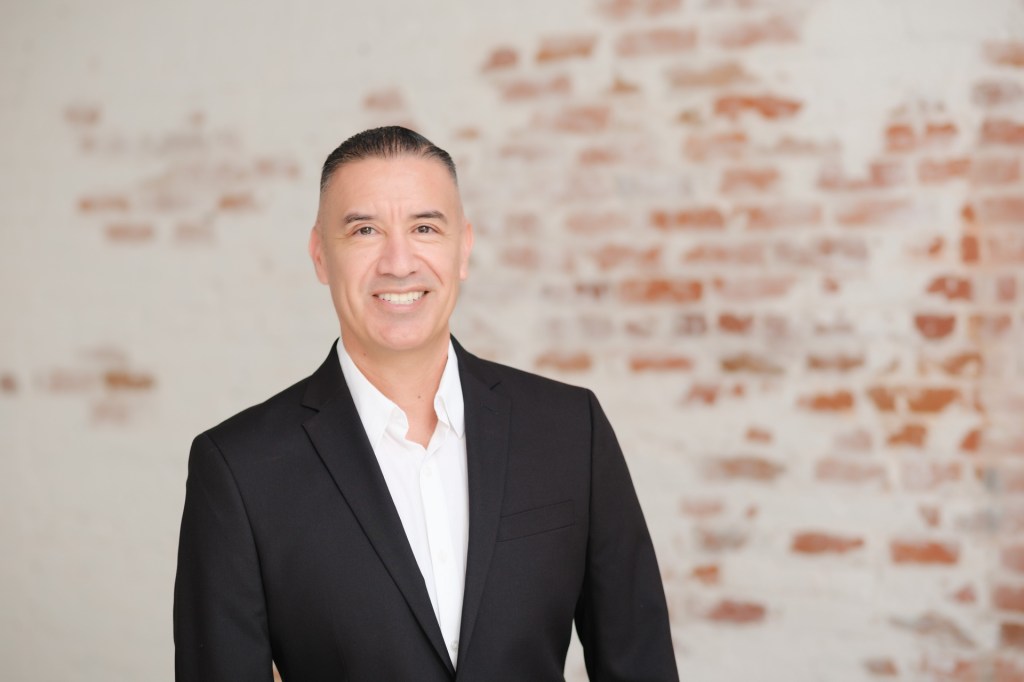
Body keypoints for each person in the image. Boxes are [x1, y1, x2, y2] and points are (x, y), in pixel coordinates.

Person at [173, 126, 678, 681]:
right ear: (321, 256)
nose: (398, 261)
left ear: (463, 248)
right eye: (365, 229)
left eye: (424, 227)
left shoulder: (569, 430)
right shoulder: (239, 469)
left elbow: (641, 664)